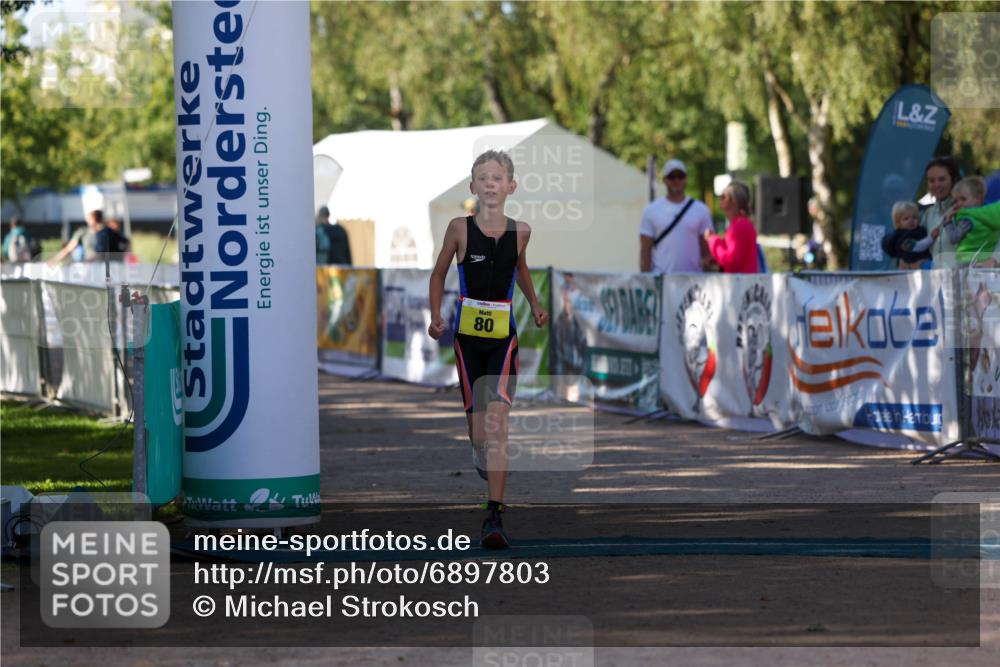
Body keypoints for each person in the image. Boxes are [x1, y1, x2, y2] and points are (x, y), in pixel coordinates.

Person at [427, 149, 548, 549]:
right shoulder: (459, 229)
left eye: (497, 178)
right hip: (467, 344)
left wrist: (535, 304)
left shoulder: (522, 231)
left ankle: (494, 515)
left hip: (503, 342)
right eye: (483, 178)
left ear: (511, 186)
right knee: (479, 432)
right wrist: (435, 316)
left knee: (497, 425)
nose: (490, 184)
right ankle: (478, 449)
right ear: (472, 186)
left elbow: (521, 268)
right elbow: (438, 273)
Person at [639, 159, 713, 273]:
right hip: (662, 277)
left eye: (680, 176)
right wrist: (645, 279)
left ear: (686, 179)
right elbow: (645, 250)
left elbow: (707, 248)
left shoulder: (701, 209)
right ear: (665, 180)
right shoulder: (651, 210)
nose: (676, 180)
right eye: (672, 177)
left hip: (693, 278)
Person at [702, 181, 759, 273]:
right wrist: (716, 260)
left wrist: (712, 239)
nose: (719, 199)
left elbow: (731, 262)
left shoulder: (740, 225)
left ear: (733, 201)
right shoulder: (739, 224)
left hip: (741, 281)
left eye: (723, 196)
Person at [920, 156, 962, 267]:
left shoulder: (966, 209)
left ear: (954, 180)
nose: (937, 184)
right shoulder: (928, 214)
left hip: (963, 277)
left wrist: (994, 260)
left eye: (942, 179)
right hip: (935, 277)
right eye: (931, 180)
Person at [881, 201, 932, 269]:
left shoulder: (920, 230)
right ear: (898, 223)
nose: (911, 220)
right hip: (914, 267)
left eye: (914, 217)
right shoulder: (901, 237)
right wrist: (931, 238)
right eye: (906, 218)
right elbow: (917, 246)